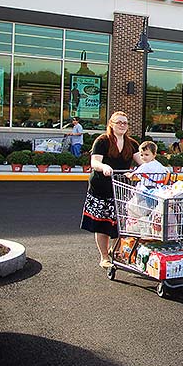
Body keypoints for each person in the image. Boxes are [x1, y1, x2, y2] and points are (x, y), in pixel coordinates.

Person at [80, 111, 143, 269]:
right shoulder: (102, 141)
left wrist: (156, 169)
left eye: (125, 123)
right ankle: (104, 256)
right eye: (119, 122)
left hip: (121, 189)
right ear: (111, 124)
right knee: (102, 224)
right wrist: (104, 167)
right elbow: (95, 162)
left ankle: (114, 252)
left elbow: (142, 162)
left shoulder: (131, 144)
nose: (122, 125)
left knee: (119, 223)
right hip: (101, 187)